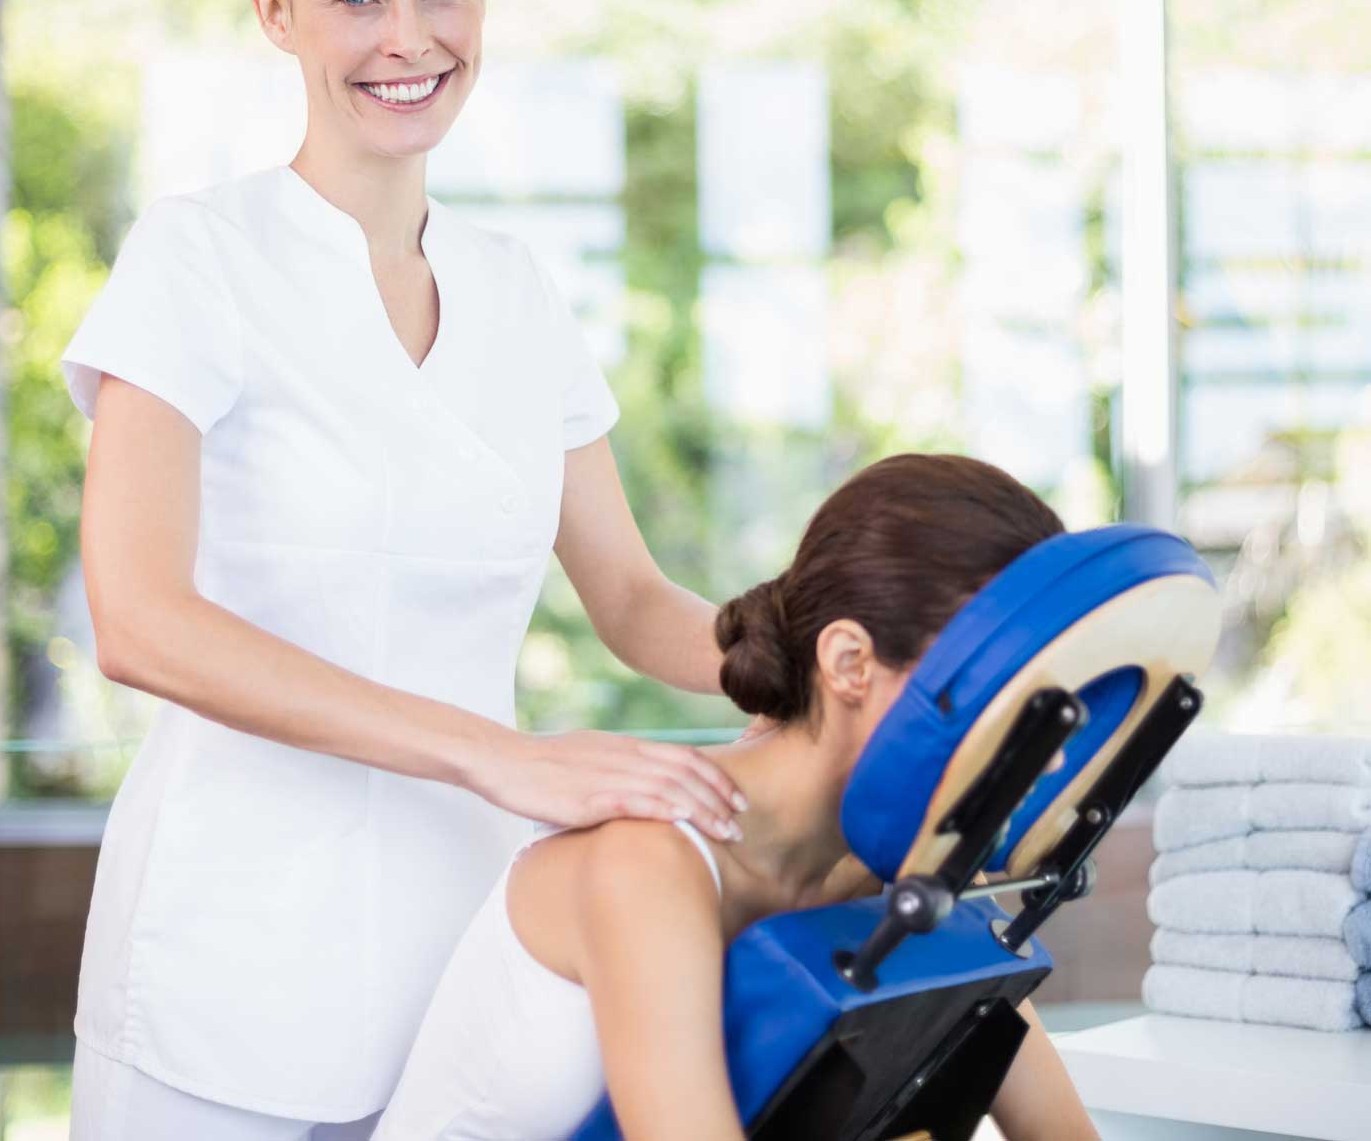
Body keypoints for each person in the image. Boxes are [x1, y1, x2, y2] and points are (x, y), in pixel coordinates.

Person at [61, 0, 754, 1141]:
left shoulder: (516, 290)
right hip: (230, 952)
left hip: (463, 956)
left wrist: (851, 659)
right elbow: (138, 620)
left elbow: (631, 595)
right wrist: (507, 758)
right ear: (274, 12)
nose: (409, 36)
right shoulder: (198, 259)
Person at [371, 453, 1102, 1141]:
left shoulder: (897, 869)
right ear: (849, 663)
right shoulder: (649, 861)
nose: (1055, 751)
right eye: (1012, 701)